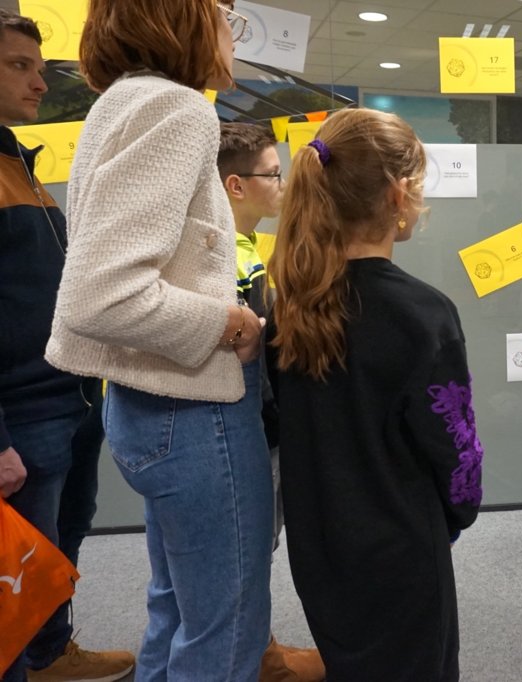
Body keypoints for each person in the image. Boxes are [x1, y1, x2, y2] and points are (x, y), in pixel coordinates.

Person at [45, 2, 274, 680]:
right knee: (225, 629)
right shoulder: (176, 108)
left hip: (152, 400)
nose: (232, 29)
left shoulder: (123, 101)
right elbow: (102, 295)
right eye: (223, 12)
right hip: (193, 405)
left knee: (178, 610)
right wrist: (230, 322)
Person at [266, 108, 483, 681]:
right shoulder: (424, 314)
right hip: (401, 545)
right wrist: (458, 516)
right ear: (398, 193)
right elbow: (456, 447)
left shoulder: (288, 306)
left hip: (319, 543)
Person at [0, 9, 134, 682]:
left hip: (71, 396)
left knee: (58, 546)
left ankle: (50, 654)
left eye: (39, 67)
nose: (40, 83)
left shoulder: (20, 166)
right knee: (15, 573)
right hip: (21, 414)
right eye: (18, 66)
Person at [216, 122, 325, 682]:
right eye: (273, 174)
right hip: (246, 431)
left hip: (259, 427)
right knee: (244, 552)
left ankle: (259, 648)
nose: (283, 185)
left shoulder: (246, 248)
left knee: (252, 550)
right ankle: (254, 657)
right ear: (236, 185)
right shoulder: (221, 258)